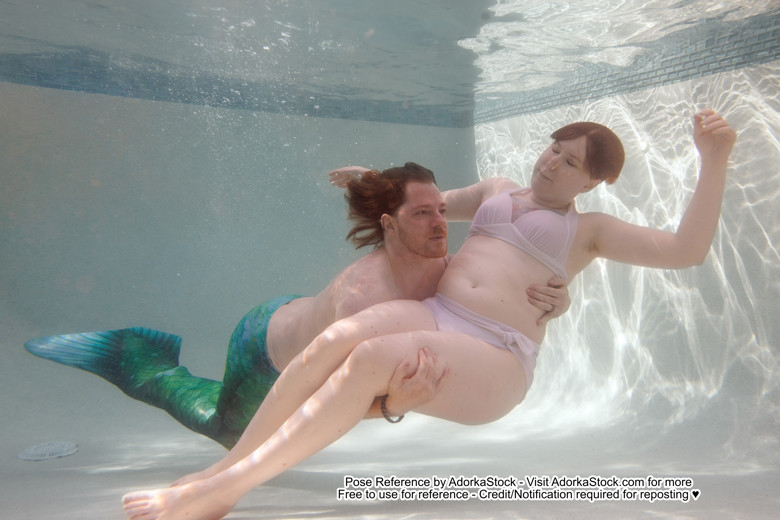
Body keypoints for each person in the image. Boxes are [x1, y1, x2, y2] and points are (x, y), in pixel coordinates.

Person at [120, 108, 736, 520]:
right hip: (438, 315)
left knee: (369, 357)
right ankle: (222, 473)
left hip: (496, 356)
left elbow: (686, 250)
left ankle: (229, 489)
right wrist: (373, 180)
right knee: (333, 341)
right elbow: (427, 204)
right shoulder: (497, 191)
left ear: (591, 183)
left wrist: (714, 160)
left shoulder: (590, 230)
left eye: (570, 162)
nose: (551, 163)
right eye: (555, 148)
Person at [24, 162, 570, 448]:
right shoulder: (365, 299)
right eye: (424, 215)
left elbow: (497, 288)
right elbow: (328, 396)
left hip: (290, 314)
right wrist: (392, 406)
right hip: (264, 353)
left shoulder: (443, 261)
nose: (441, 223)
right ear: (391, 225)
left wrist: (557, 297)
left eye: (442, 211)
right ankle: (144, 363)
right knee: (225, 428)